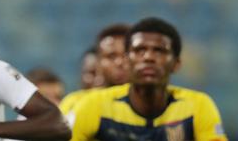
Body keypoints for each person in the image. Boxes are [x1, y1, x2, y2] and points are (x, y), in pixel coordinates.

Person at [69, 17, 228, 141]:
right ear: (126, 60)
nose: (149, 57)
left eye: (159, 51)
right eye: (139, 50)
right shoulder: (94, 106)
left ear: (176, 64)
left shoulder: (197, 106)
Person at [59, 23, 130, 115]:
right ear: (99, 62)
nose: (119, 62)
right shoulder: (75, 104)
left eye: (126, 55)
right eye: (111, 56)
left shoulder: (151, 104)